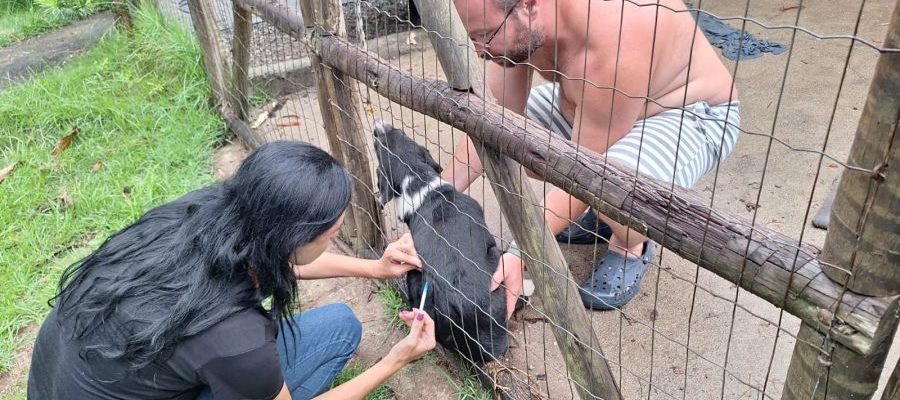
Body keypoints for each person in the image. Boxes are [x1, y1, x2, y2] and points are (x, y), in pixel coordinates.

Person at [28, 141, 437, 400]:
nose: (336, 235)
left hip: (62, 376)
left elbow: (283, 256)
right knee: (340, 328)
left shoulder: (215, 208)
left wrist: (373, 268)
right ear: (290, 239)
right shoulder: (235, 339)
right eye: (331, 233)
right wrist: (394, 361)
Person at [445, 0, 741, 315]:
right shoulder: (516, 27)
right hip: (602, 107)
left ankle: (630, 245)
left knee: (618, 187)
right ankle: (598, 215)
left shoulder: (617, 31)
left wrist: (521, 251)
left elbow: (583, 173)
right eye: (472, 36)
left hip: (688, 113)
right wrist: (436, 198)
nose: (479, 50)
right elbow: (497, 123)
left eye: (486, 35)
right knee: (520, 140)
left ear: (528, 5)